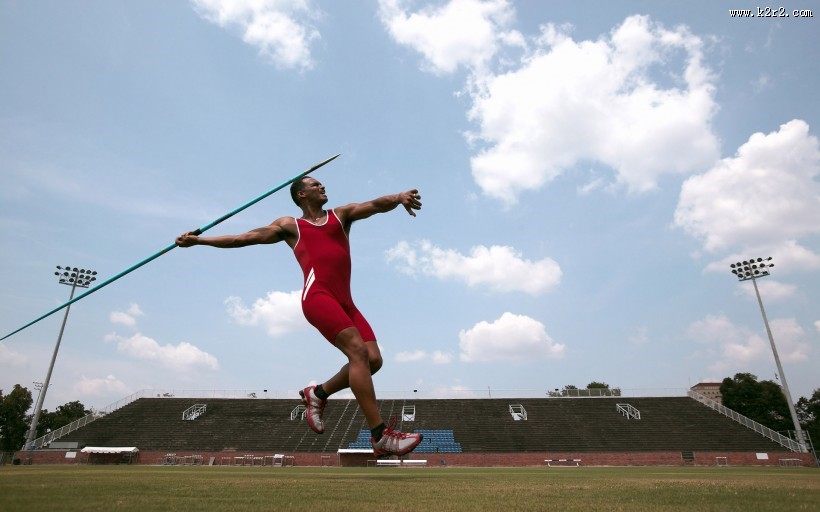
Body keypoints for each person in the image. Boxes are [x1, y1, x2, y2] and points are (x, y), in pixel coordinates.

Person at [176, 176, 423, 457]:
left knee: (373, 360)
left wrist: (398, 197)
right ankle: (380, 435)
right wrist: (199, 241)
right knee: (357, 351)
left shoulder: (340, 215)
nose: (322, 186)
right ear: (301, 194)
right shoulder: (290, 226)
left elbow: (375, 205)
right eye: (315, 184)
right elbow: (243, 238)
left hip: (347, 302)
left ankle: (318, 394)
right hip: (318, 297)